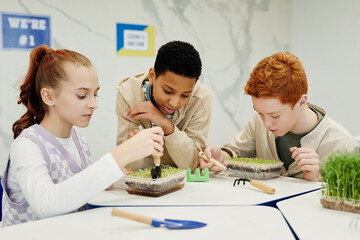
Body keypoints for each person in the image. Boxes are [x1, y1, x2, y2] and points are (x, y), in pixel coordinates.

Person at [0, 45, 164, 227]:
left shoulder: (78, 138)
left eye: (95, 95)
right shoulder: (27, 146)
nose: (94, 104)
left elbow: (76, 188)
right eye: (82, 95)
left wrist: (106, 178)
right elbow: (46, 205)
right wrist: (123, 153)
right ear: (48, 97)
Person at [199, 52, 359, 181]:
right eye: (260, 113)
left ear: (301, 102)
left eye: (275, 115)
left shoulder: (341, 144)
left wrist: (316, 177)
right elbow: (236, 150)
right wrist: (221, 155)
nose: (266, 123)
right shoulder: (258, 121)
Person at [116, 40, 211, 171]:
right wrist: (133, 145)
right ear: (152, 76)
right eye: (168, 91)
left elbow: (193, 164)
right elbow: (126, 166)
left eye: (185, 95)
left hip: (185, 180)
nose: (174, 102)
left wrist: (166, 125)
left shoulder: (200, 98)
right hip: (146, 176)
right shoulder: (128, 94)